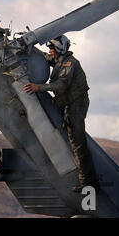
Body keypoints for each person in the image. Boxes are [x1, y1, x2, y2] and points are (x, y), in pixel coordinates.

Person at [23, 35, 99, 193]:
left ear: (60, 50)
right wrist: (27, 50)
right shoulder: (59, 61)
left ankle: (89, 182)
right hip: (66, 103)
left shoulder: (70, 64)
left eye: (52, 49)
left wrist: (39, 87)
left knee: (78, 143)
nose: (50, 51)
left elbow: (61, 84)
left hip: (76, 105)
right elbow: (46, 58)